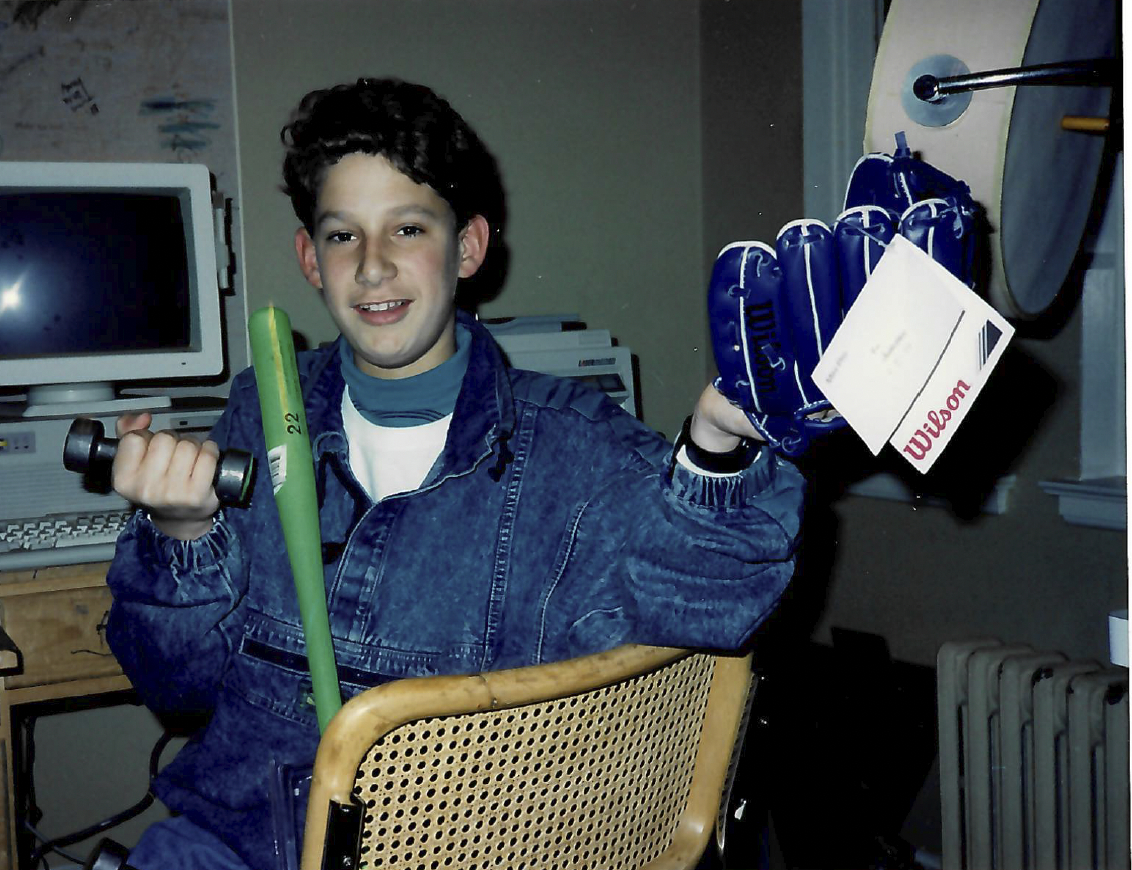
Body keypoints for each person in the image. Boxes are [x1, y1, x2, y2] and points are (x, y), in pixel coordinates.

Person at [104, 77, 804, 869]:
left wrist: (717, 447)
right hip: (230, 846)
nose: (371, 266)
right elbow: (172, 686)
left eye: (407, 228)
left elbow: (707, 603)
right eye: (342, 235)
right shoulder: (255, 414)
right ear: (309, 257)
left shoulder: (574, 452)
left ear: (468, 247)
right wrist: (181, 534)